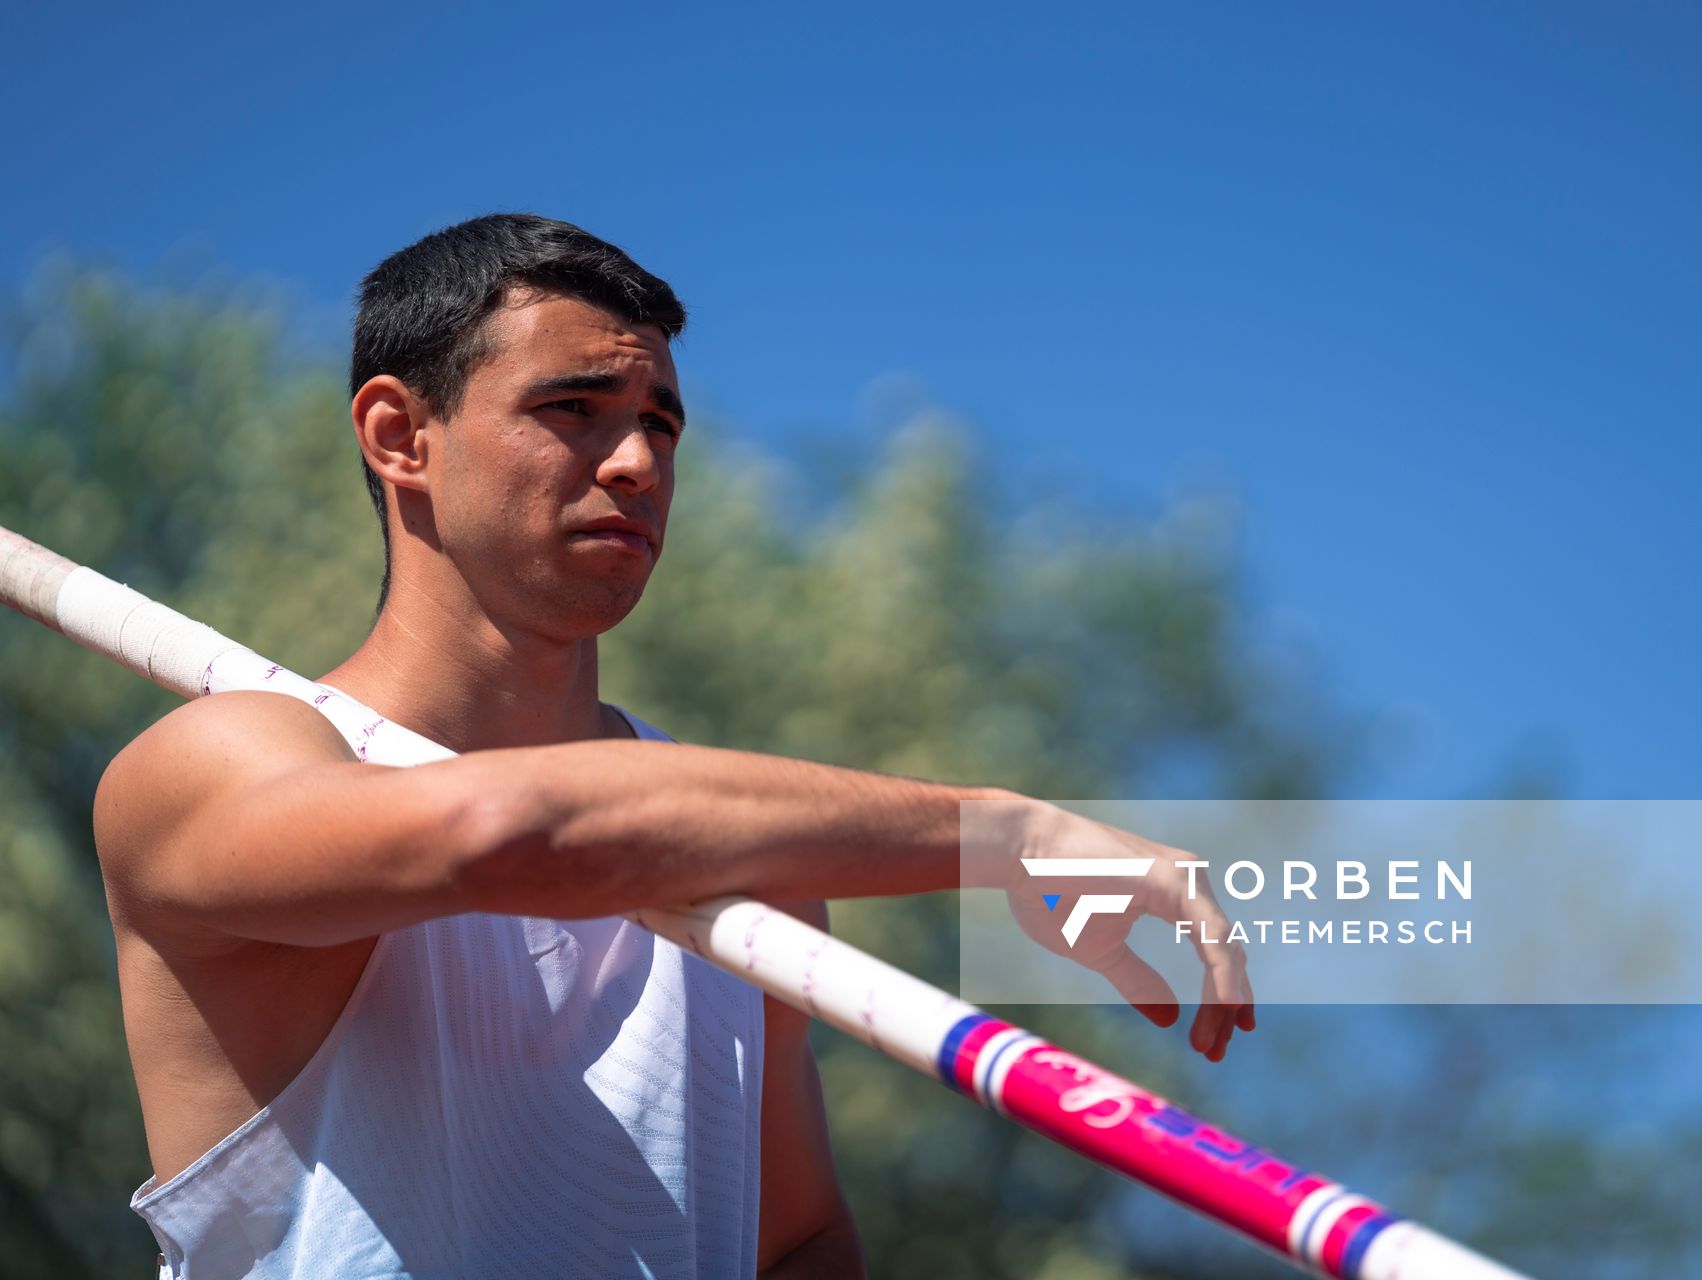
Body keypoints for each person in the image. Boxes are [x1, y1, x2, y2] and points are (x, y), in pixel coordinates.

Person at [92, 213, 1254, 1279]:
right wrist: (1007, 833)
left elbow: (796, 1239)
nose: (640, 462)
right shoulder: (220, 761)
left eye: (659, 421)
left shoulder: (746, 862)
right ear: (401, 435)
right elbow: (516, 831)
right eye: (576, 408)